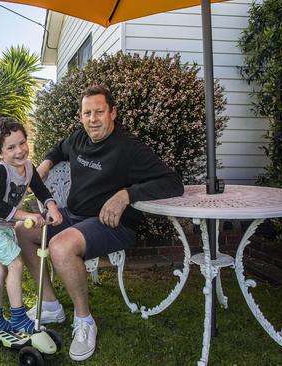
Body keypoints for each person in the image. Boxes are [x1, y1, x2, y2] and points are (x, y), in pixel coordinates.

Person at [16, 85, 184, 361]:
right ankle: (50, 304)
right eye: (87, 113)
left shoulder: (129, 149)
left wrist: (126, 195)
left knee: (60, 247)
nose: (92, 119)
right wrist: (45, 164)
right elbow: (59, 149)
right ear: (81, 116)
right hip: (74, 215)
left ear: (113, 113)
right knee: (24, 231)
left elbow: (172, 182)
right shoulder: (79, 138)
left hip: (112, 225)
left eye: (99, 112)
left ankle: (85, 321)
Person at [0, 117, 62, 333]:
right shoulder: (1, 171)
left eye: (22, 143)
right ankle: (19, 316)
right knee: (15, 264)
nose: (20, 151)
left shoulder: (29, 168)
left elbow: (41, 190)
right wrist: (24, 216)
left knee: (1, 269)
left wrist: (52, 207)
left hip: (3, 226)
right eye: (11, 147)